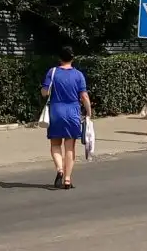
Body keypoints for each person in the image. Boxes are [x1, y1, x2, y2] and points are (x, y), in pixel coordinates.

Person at [41, 46, 91, 190]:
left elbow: (45, 92)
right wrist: (88, 112)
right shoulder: (78, 75)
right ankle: (67, 179)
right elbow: (84, 96)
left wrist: (44, 90)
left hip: (56, 111)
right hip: (73, 112)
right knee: (70, 147)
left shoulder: (52, 72)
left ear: (59, 58)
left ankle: (59, 169)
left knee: (55, 144)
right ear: (73, 58)